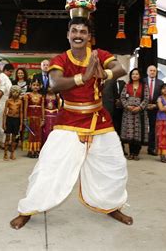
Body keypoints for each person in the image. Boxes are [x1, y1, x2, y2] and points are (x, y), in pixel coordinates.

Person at [10, 17, 132, 230]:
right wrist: (83, 77)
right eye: (74, 31)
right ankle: (28, 209)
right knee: (50, 165)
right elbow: (56, 84)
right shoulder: (60, 59)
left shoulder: (99, 54)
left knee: (113, 166)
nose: (78, 35)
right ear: (68, 35)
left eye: (83, 31)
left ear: (88, 36)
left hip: (98, 119)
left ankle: (111, 206)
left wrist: (106, 73)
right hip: (70, 120)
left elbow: (120, 68)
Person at [120, 68, 148, 160]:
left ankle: (136, 153)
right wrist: (127, 106)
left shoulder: (144, 86)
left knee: (138, 133)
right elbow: (122, 98)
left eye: (136, 74)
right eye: (133, 74)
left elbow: (146, 99)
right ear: (131, 76)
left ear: (139, 76)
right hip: (128, 113)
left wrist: (139, 107)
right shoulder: (127, 86)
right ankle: (131, 153)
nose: (134, 75)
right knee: (130, 133)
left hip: (139, 113)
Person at [143, 65, 164, 155]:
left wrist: (155, 105)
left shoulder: (160, 82)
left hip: (155, 108)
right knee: (141, 127)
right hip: (143, 107)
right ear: (147, 72)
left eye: (154, 71)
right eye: (150, 70)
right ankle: (137, 147)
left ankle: (151, 148)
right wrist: (145, 105)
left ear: (156, 72)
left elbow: (161, 96)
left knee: (153, 128)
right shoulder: (142, 81)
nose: (152, 72)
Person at [23, 79, 45, 158]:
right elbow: (25, 107)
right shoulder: (27, 95)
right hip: (30, 117)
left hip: (38, 118)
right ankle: (30, 150)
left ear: (40, 87)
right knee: (30, 134)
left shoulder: (41, 96)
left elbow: (42, 107)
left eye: (37, 85)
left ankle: (36, 150)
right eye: (34, 85)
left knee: (37, 134)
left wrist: (43, 119)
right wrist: (25, 118)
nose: (35, 87)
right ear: (30, 86)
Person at [3, 85, 23, 160]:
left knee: (14, 138)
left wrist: (21, 124)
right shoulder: (8, 101)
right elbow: (5, 112)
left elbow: (21, 112)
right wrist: (4, 123)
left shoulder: (20, 101)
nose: (15, 93)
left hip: (16, 120)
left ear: (19, 93)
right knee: (7, 137)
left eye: (17, 92)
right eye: (13, 91)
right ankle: (5, 153)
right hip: (9, 119)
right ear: (11, 92)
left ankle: (12, 153)